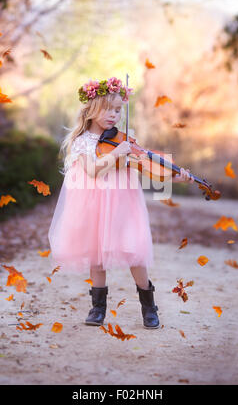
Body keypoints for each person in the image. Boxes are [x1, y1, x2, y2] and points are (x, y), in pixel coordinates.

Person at [48, 77, 194, 329]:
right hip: (93, 203)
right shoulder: (83, 141)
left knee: (133, 249)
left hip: (124, 202)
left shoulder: (126, 139)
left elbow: (148, 167)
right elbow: (93, 171)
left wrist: (174, 176)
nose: (114, 114)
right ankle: (97, 307)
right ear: (92, 109)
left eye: (118, 109)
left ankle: (149, 306)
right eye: (108, 109)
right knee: (97, 253)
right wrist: (117, 153)